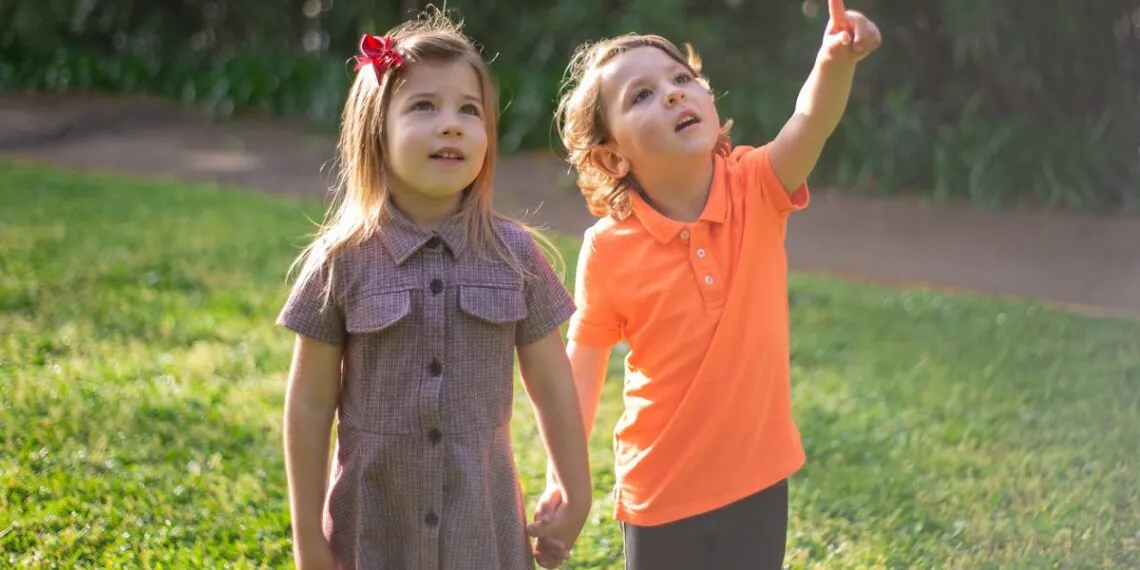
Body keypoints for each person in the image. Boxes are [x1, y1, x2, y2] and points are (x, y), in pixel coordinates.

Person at [531, 1, 881, 568]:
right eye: (641, 96)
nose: (671, 93)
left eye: (681, 79)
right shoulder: (607, 248)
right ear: (612, 157)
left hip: (759, 479)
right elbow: (584, 365)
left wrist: (834, 59)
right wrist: (562, 478)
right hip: (660, 493)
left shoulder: (758, 186)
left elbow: (811, 120)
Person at [277, 9, 592, 570]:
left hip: (483, 529)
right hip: (372, 531)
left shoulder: (515, 257)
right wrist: (307, 536)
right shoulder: (341, 261)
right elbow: (309, 402)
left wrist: (576, 489)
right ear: (377, 128)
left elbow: (552, 383)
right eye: (424, 106)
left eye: (468, 111)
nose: (451, 124)